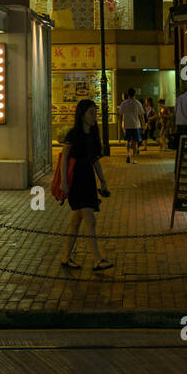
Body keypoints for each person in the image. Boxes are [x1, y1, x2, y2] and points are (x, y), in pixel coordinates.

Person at [59, 99, 113, 271]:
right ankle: (98, 259)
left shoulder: (93, 134)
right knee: (90, 220)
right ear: (82, 115)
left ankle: (66, 257)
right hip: (75, 181)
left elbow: (95, 160)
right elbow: (64, 160)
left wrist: (103, 182)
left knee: (76, 221)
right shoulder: (73, 134)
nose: (94, 116)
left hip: (88, 180)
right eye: (91, 112)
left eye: (95, 112)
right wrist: (64, 182)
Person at [117, 87, 146, 163]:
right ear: (135, 94)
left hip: (127, 125)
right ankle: (134, 159)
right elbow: (141, 116)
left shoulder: (124, 103)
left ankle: (128, 154)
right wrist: (144, 126)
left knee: (127, 141)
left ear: (128, 94)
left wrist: (120, 126)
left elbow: (120, 115)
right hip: (136, 125)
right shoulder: (138, 103)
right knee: (135, 143)